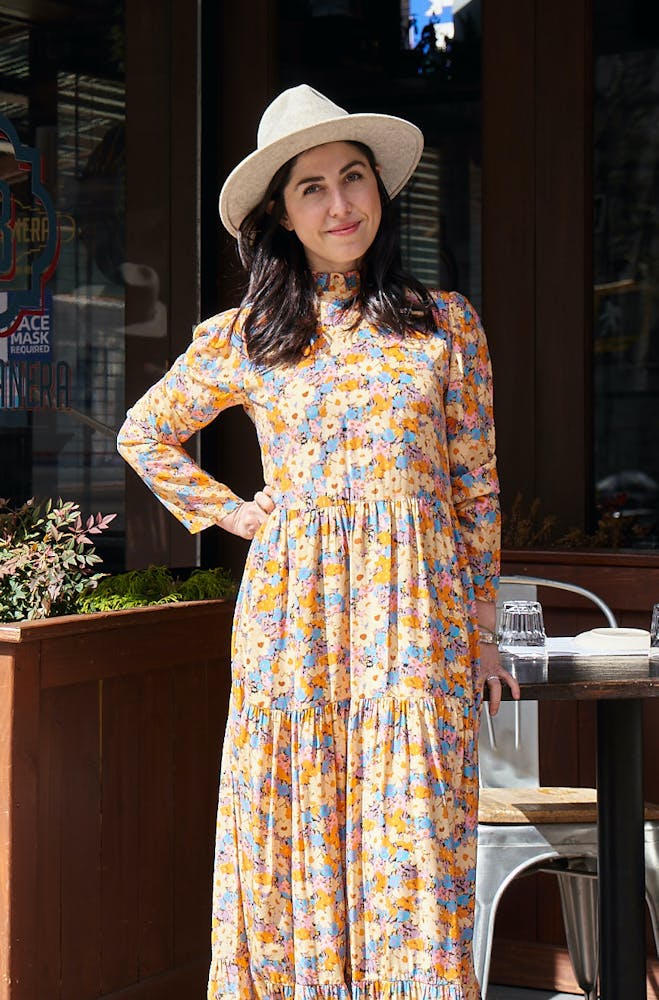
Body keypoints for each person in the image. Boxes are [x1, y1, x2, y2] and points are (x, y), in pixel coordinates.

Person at [117, 84, 520, 1000]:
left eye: (353, 178)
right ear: (280, 214)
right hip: (292, 619)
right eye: (312, 188)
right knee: (292, 818)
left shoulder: (442, 325)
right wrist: (239, 514)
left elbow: (474, 487)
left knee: (411, 823)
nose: (340, 205)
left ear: (380, 190)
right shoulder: (247, 337)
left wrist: (483, 627)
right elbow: (143, 432)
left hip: (413, 619)